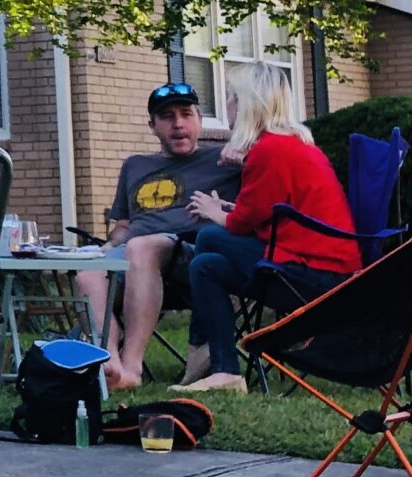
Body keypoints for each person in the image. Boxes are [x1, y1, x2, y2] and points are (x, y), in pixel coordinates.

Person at [178, 69, 362, 393]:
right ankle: (225, 372)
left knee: (207, 238)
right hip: (318, 267)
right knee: (205, 266)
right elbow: (272, 214)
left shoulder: (270, 150)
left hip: (316, 276)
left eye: (233, 97)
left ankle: (200, 349)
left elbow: (242, 225)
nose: (228, 104)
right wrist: (227, 211)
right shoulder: (292, 144)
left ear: (249, 103)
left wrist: (214, 214)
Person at [80, 82, 242, 392]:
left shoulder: (224, 160)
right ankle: (109, 363)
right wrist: (105, 247)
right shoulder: (135, 166)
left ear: (199, 120)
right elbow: (124, 226)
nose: (178, 123)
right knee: (88, 273)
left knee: (141, 248)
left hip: (192, 254)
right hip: (134, 252)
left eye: (186, 114)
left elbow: (268, 181)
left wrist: (245, 154)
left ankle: (132, 366)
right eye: (167, 116)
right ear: (152, 126)